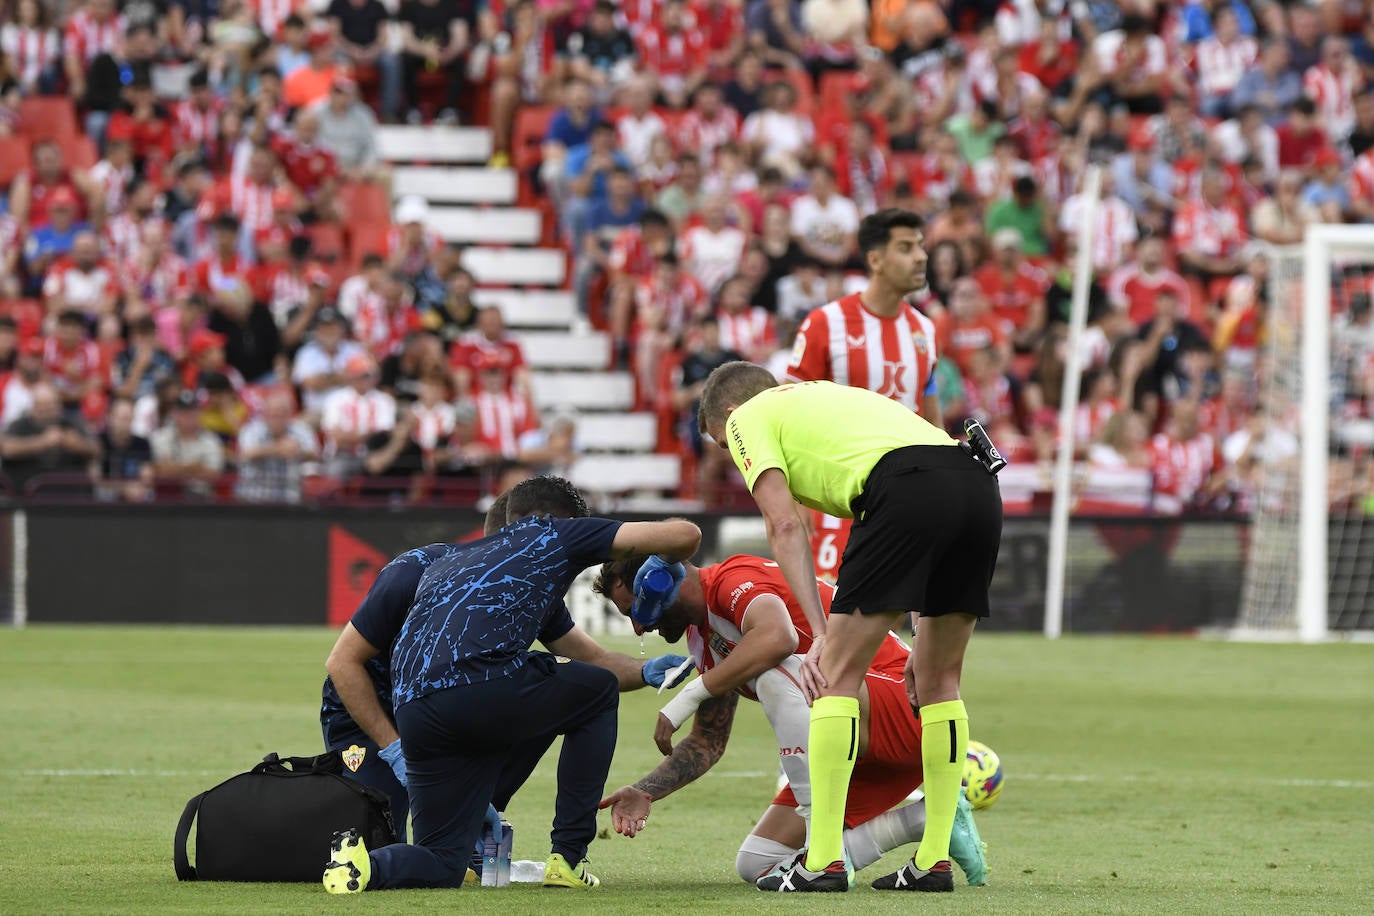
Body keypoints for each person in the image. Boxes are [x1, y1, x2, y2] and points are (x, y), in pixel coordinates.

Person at [696, 363, 1002, 892]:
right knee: (937, 683)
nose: (732, 455)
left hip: (904, 488)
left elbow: (784, 523)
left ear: (728, 414)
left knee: (833, 677)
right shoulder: (826, 399)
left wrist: (820, 634)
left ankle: (823, 861)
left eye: (724, 446)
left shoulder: (748, 414)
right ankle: (933, 862)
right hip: (975, 482)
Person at [321, 475, 702, 893]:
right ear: (560, 520)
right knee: (593, 692)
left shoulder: (457, 558)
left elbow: (592, 657)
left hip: (417, 711)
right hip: (370, 712)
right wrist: (661, 568)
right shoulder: (550, 535)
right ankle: (568, 857)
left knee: (443, 862)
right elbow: (685, 534)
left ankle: (366, 865)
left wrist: (644, 671)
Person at [593, 553, 988, 887]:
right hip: (846, 748)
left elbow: (778, 639)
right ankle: (924, 820)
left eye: (635, 611)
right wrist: (645, 791)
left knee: (777, 669)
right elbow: (707, 743)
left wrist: (689, 695)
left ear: (658, 583)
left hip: (904, 707)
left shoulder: (732, 580)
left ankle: (824, 855)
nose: (638, 627)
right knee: (756, 863)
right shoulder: (701, 641)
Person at [787, 208, 941, 583]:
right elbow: (788, 416)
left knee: (902, 620)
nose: (921, 256)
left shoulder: (924, 330)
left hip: (906, 498)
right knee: (834, 621)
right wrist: (792, 503)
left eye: (920, 246)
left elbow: (931, 420)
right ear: (875, 259)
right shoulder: (826, 323)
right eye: (906, 247)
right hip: (836, 504)